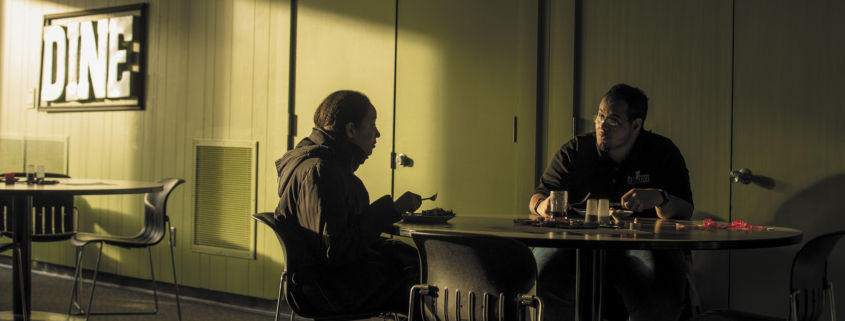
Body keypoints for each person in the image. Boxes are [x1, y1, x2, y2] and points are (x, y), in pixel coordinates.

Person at [529, 83, 694, 320]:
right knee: (542, 280)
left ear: (636, 125)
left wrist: (659, 197)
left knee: (660, 298)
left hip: (643, 243)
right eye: (600, 116)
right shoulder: (576, 150)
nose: (601, 125)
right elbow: (538, 196)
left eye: (613, 120)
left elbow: (685, 210)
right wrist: (543, 206)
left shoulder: (662, 151)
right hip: (578, 242)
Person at [274, 90, 422, 315]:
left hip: (329, 280)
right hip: (331, 288)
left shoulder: (318, 164)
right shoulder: (321, 172)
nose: (378, 133)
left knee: (411, 260)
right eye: (372, 125)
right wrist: (391, 210)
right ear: (351, 130)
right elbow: (337, 251)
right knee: (427, 285)